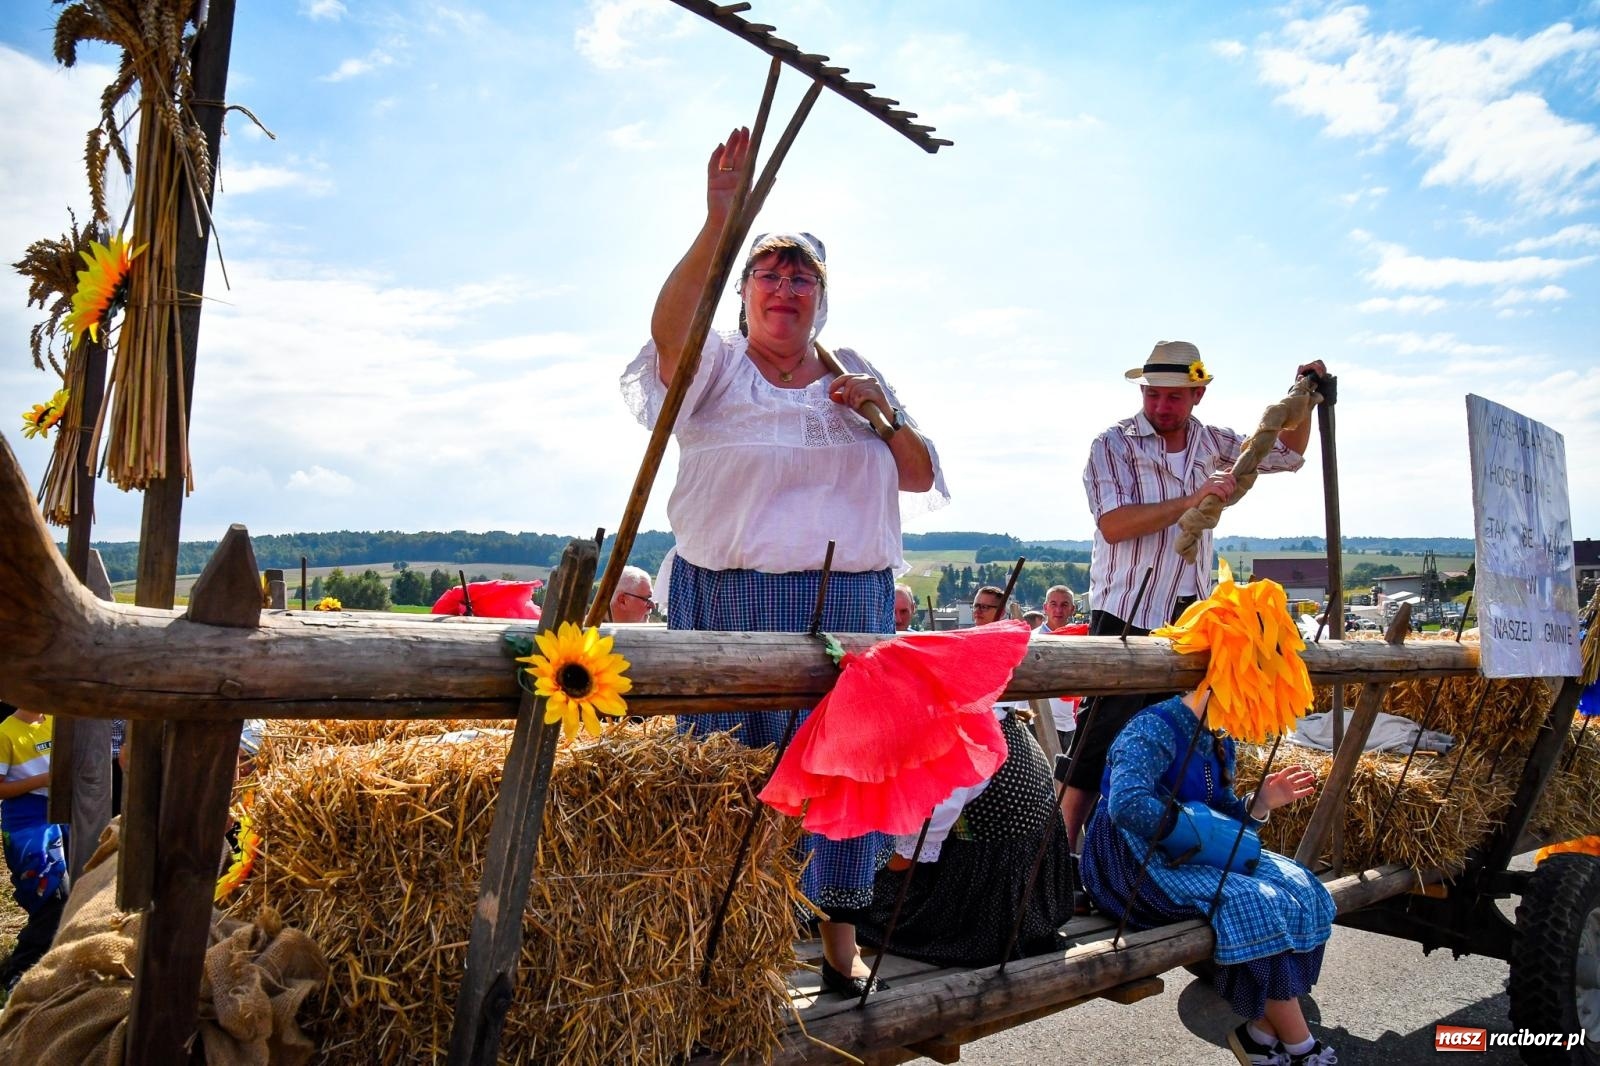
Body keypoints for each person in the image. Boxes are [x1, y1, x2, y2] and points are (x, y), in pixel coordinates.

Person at [620, 125, 947, 998]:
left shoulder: (855, 372)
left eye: (801, 276)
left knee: (845, 778)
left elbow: (916, 475)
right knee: (732, 776)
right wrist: (721, 220)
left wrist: (879, 411)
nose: (785, 287)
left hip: (850, 606)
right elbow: (667, 331)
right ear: (744, 295)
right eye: (767, 273)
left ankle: (840, 953)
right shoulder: (717, 367)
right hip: (725, 598)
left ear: (822, 301)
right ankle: (727, 962)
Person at [1061, 342, 1325, 846]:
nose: (1162, 406)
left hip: (1188, 617)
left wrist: (1303, 396)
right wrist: (1193, 499)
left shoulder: (1215, 443)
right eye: (1154, 395)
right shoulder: (1113, 444)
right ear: (1142, 392)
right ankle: (1062, 861)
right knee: (1094, 750)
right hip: (1124, 613)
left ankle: (1141, 855)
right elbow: (1115, 525)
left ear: (1198, 394)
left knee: (1174, 744)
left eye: (1174, 397)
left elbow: (1288, 453)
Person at [1080, 688, 1336, 1066]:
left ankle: (1261, 1034)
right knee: (1253, 902)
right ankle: (1301, 1047)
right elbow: (1127, 804)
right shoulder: (1153, 729)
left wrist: (1261, 802)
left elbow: (1225, 814)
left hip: (1191, 847)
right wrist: (1193, 828)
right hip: (1133, 863)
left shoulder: (1218, 733)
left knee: (1302, 886)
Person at [854, 585, 1075, 966]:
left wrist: (885, 877)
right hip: (1043, 883)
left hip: (999, 890)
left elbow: (928, 826)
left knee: (871, 911)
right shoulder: (1001, 716)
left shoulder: (963, 732)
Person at [0, 702, 68, 994]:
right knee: (52, 896)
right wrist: (41, 781)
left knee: (75, 888)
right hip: (27, 820)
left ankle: (57, 964)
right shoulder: (5, 732)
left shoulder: (56, 721)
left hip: (65, 811)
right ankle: (19, 975)